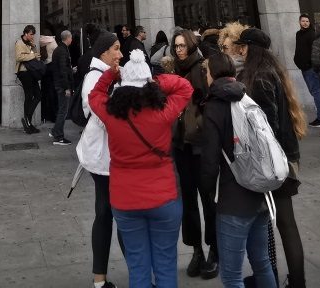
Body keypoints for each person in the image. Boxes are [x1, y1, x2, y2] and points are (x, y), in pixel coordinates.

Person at [87, 50, 192, 288]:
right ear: (147, 84)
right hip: (163, 197)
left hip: (125, 199)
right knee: (165, 264)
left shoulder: (112, 115)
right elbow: (185, 86)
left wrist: (111, 77)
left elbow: (95, 96)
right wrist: (154, 80)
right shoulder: (163, 113)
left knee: (137, 265)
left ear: (125, 85)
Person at [233, 27, 307, 288]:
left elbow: (268, 127)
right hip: (282, 157)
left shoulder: (261, 77)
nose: (240, 50)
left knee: (283, 223)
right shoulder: (270, 72)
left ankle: (286, 280)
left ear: (251, 48)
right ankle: (280, 278)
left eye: (243, 46)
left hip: (274, 161)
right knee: (281, 223)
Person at [198, 51, 277, 288]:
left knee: (232, 275)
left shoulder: (213, 106)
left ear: (211, 74)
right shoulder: (246, 97)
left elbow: (210, 161)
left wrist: (207, 193)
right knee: (262, 263)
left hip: (233, 199)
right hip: (260, 193)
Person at [164, 28, 218, 278]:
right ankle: (196, 249)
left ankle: (215, 249)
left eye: (182, 45)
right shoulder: (173, 70)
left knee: (207, 199)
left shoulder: (201, 68)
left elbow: (210, 101)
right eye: (176, 46)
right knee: (188, 201)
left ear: (192, 45)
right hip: (181, 144)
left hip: (200, 143)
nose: (179, 50)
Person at [77, 31, 125, 288]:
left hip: (110, 156)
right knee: (115, 214)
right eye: (116, 48)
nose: (120, 54)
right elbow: (101, 113)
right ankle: (103, 279)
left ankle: (100, 279)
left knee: (107, 214)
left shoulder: (112, 74)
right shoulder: (95, 77)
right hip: (105, 158)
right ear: (104, 51)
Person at [291, 14, 320, 130]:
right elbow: (299, 49)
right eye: (303, 21)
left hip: (310, 68)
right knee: (315, 92)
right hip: (304, 67)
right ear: (299, 22)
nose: (305, 23)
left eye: (307, 21)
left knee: (316, 92)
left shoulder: (312, 34)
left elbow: (314, 52)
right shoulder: (298, 34)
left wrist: (309, 64)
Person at [50, 29, 77, 145]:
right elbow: (62, 70)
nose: (72, 39)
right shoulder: (62, 51)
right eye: (71, 37)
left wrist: (71, 70)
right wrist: (67, 87)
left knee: (62, 109)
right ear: (68, 38)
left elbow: (64, 69)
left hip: (60, 83)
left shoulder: (60, 49)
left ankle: (55, 131)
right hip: (62, 85)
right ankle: (59, 137)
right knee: (63, 111)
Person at [15, 25, 42, 134]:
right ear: (25, 33)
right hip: (24, 72)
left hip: (32, 72)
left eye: (33, 34)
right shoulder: (19, 43)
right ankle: (28, 124)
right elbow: (19, 57)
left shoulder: (31, 43)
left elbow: (36, 56)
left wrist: (34, 49)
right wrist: (33, 55)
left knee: (38, 95)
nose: (32, 36)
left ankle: (27, 120)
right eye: (31, 34)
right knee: (29, 96)